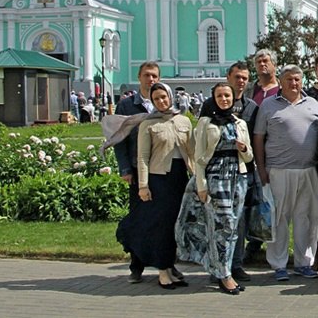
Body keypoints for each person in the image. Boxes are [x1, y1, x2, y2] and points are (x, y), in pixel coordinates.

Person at [111, 82, 193, 289]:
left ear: (171, 96)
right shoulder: (149, 123)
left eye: (164, 97)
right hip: (159, 179)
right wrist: (143, 185)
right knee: (161, 226)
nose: (162, 101)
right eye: (157, 99)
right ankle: (163, 271)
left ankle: (170, 266)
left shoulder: (183, 120)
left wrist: (197, 177)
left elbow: (192, 152)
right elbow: (143, 158)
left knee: (175, 224)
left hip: (179, 178)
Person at [176, 82, 253, 295]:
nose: (224, 99)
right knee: (222, 226)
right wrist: (201, 185)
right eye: (220, 96)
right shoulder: (206, 123)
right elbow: (199, 158)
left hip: (237, 179)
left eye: (227, 96)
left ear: (233, 98)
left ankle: (222, 269)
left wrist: (244, 148)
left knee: (233, 228)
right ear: (214, 99)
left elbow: (249, 157)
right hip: (216, 178)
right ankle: (224, 275)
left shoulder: (239, 123)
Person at [253, 64, 318, 282]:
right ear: (281, 82)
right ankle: (279, 264)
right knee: (278, 218)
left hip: (308, 170)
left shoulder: (312, 103)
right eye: (289, 79)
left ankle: (304, 263)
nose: (294, 83)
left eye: (297, 79)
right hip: (278, 171)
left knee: (306, 219)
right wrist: (261, 169)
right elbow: (258, 138)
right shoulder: (268, 105)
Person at [108, 62, 173, 284]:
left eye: (155, 75)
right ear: (139, 77)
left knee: (164, 219)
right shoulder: (128, 106)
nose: (151, 79)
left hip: (163, 171)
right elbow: (118, 139)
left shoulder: (166, 106)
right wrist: (125, 168)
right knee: (139, 217)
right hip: (138, 170)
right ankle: (137, 266)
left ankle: (167, 264)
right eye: (147, 75)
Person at [225, 61, 259, 281]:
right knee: (220, 220)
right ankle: (219, 264)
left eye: (245, 78)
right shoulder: (214, 104)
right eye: (237, 77)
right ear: (229, 77)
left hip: (244, 171)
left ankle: (236, 264)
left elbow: (256, 141)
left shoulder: (251, 107)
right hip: (219, 172)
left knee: (240, 221)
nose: (240, 82)